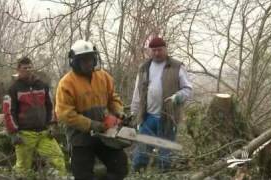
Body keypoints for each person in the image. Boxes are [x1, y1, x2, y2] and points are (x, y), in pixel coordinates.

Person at [55, 40, 128, 180]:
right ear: (75, 62)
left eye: (90, 59)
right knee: (83, 175)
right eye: (83, 60)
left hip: (104, 133)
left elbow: (112, 98)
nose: (88, 63)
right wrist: (90, 124)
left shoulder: (103, 77)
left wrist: (119, 111)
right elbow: (64, 114)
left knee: (120, 166)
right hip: (79, 136)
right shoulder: (67, 83)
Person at [130, 36, 193, 172]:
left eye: (159, 50)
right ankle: (138, 174)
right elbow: (137, 93)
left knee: (165, 155)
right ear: (149, 51)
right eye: (153, 50)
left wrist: (177, 97)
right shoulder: (144, 68)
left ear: (165, 49)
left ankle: (163, 175)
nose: (157, 53)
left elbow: (188, 89)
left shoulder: (177, 66)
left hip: (168, 118)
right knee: (141, 151)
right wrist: (134, 114)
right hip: (148, 118)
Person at [2, 57, 67, 178]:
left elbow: (51, 106)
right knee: (23, 168)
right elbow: (8, 112)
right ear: (18, 70)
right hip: (24, 134)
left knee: (57, 159)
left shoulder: (42, 85)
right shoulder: (13, 89)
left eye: (30, 67)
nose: (28, 70)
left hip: (44, 132)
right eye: (24, 68)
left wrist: (52, 124)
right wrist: (13, 133)